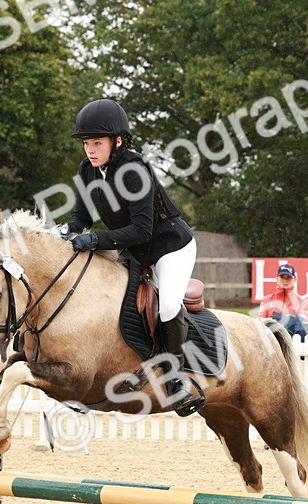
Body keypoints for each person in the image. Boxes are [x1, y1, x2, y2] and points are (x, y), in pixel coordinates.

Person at [61, 98, 204, 416]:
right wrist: (65, 233)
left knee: (168, 305)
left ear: (118, 141)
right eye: (86, 143)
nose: (90, 150)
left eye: (97, 143)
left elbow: (141, 229)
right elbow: (80, 217)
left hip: (170, 247)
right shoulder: (87, 170)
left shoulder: (134, 171)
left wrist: (95, 239)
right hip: (135, 250)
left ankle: (177, 382)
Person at [258, 261, 308, 341]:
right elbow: (260, 323)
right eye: (282, 277)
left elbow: (303, 326)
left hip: (294, 343)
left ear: (295, 279)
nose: (285, 280)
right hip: (272, 340)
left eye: (288, 278)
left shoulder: (302, 302)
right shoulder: (267, 300)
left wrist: (276, 319)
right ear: (277, 278)